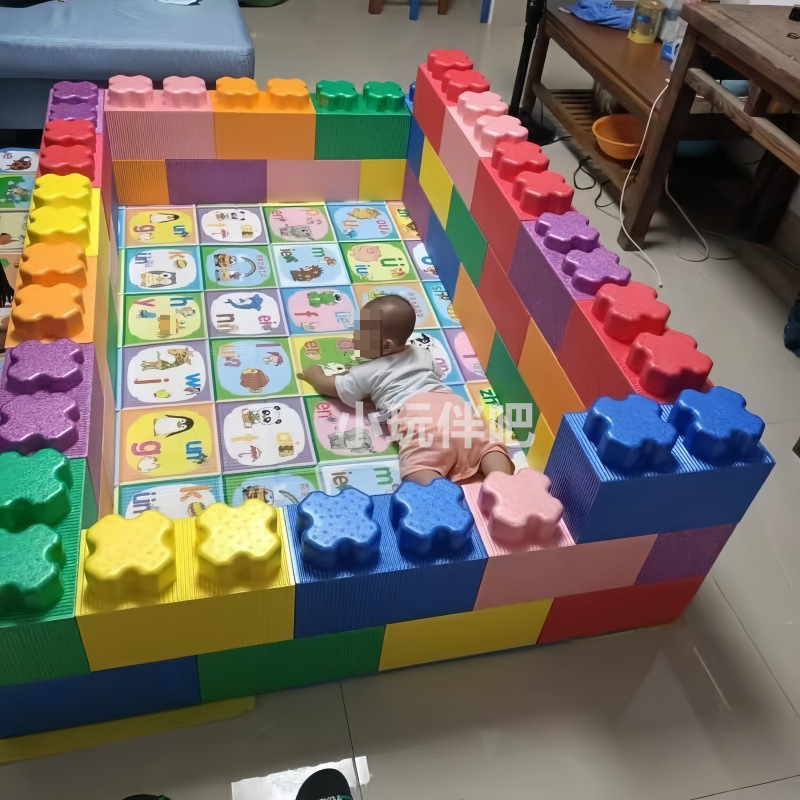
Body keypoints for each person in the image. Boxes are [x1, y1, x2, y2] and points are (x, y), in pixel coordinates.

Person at [297, 295, 513, 485]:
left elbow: (336, 387)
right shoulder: (421, 352)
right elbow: (436, 374)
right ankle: (502, 481)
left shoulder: (366, 371)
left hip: (417, 415)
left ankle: (440, 496)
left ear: (386, 346)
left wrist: (315, 375)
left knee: (418, 468)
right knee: (485, 446)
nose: (353, 337)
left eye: (360, 334)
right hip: (452, 405)